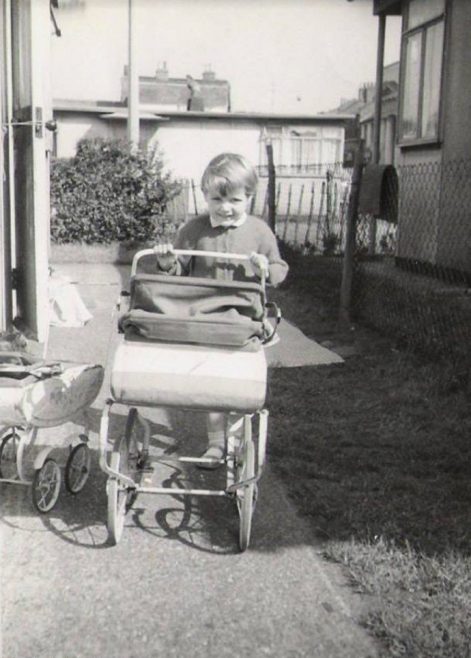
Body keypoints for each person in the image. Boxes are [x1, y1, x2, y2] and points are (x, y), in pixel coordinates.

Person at [155, 152, 288, 467]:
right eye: (216, 199)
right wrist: (167, 263)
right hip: (206, 317)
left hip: (245, 320)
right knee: (214, 383)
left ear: (249, 198)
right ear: (205, 196)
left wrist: (264, 267)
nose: (225, 207)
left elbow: (280, 272)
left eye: (235, 200)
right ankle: (216, 443)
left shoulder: (258, 231)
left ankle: (239, 434)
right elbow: (179, 271)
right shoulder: (194, 229)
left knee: (242, 384)